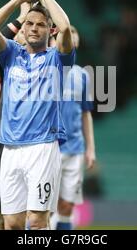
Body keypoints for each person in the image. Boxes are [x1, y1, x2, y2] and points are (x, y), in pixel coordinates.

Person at [0, 0, 75, 230]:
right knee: (12, 223)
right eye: (30, 24)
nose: (34, 29)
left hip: (42, 148)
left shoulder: (57, 59)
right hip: (10, 148)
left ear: (50, 29)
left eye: (41, 25)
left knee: (36, 222)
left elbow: (66, 28)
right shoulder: (11, 54)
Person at [0, 2, 31, 230]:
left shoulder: (47, 60)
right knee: (7, 217)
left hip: (39, 143)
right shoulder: (4, 63)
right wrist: (20, 16)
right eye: (22, 29)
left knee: (36, 217)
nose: (25, 31)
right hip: (5, 144)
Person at [50, 26, 96, 230]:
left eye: (74, 41)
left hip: (75, 148)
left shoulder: (82, 75)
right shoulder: (45, 71)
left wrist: (90, 148)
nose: (72, 43)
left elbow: (86, 113)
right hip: (49, 148)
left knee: (67, 206)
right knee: (43, 207)